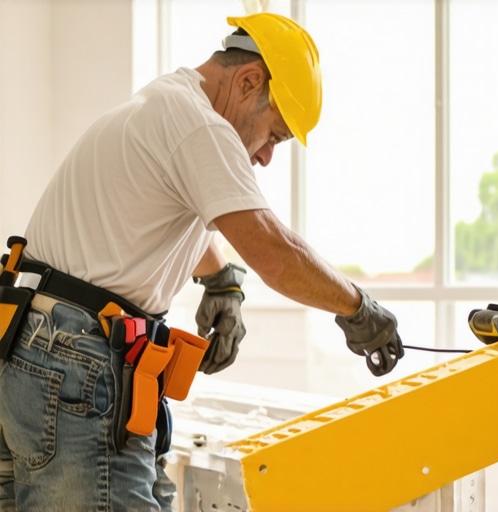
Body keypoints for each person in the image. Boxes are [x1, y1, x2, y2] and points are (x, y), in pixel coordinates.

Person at [0, 12, 404, 511]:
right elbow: (274, 251)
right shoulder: (200, 127)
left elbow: (165, 209)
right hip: (78, 362)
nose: (264, 157)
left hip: (35, 349)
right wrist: (358, 307)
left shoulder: (165, 101)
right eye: (274, 135)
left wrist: (220, 281)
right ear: (249, 81)